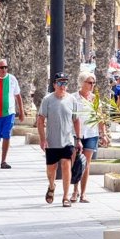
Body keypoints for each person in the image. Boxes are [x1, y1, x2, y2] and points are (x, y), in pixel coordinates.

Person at [37, 73, 83, 208]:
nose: (63, 86)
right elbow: (40, 120)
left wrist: (78, 139)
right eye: (60, 83)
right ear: (54, 85)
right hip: (51, 141)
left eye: (65, 83)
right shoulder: (47, 100)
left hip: (67, 140)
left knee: (66, 166)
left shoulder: (72, 100)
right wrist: (42, 139)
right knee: (51, 168)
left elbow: (76, 120)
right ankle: (51, 185)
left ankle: (66, 196)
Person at [71, 72, 102, 203]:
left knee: (86, 164)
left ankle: (83, 193)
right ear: (82, 83)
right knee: (76, 162)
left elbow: (99, 117)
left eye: (93, 83)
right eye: (90, 82)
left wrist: (103, 133)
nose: (92, 85)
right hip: (75, 134)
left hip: (91, 134)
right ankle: (74, 191)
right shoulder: (73, 98)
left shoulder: (95, 99)